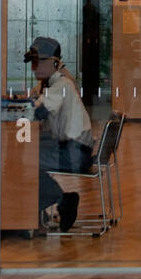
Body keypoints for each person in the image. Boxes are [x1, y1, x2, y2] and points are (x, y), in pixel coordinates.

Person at [25, 36, 95, 235]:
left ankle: (63, 199)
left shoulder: (62, 84)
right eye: (33, 62)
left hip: (75, 153)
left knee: (25, 161)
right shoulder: (49, 84)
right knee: (26, 158)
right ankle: (43, 209)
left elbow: (39, 112)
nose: (34, 67)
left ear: (54, 63)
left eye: (39, 62)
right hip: (71, 148)